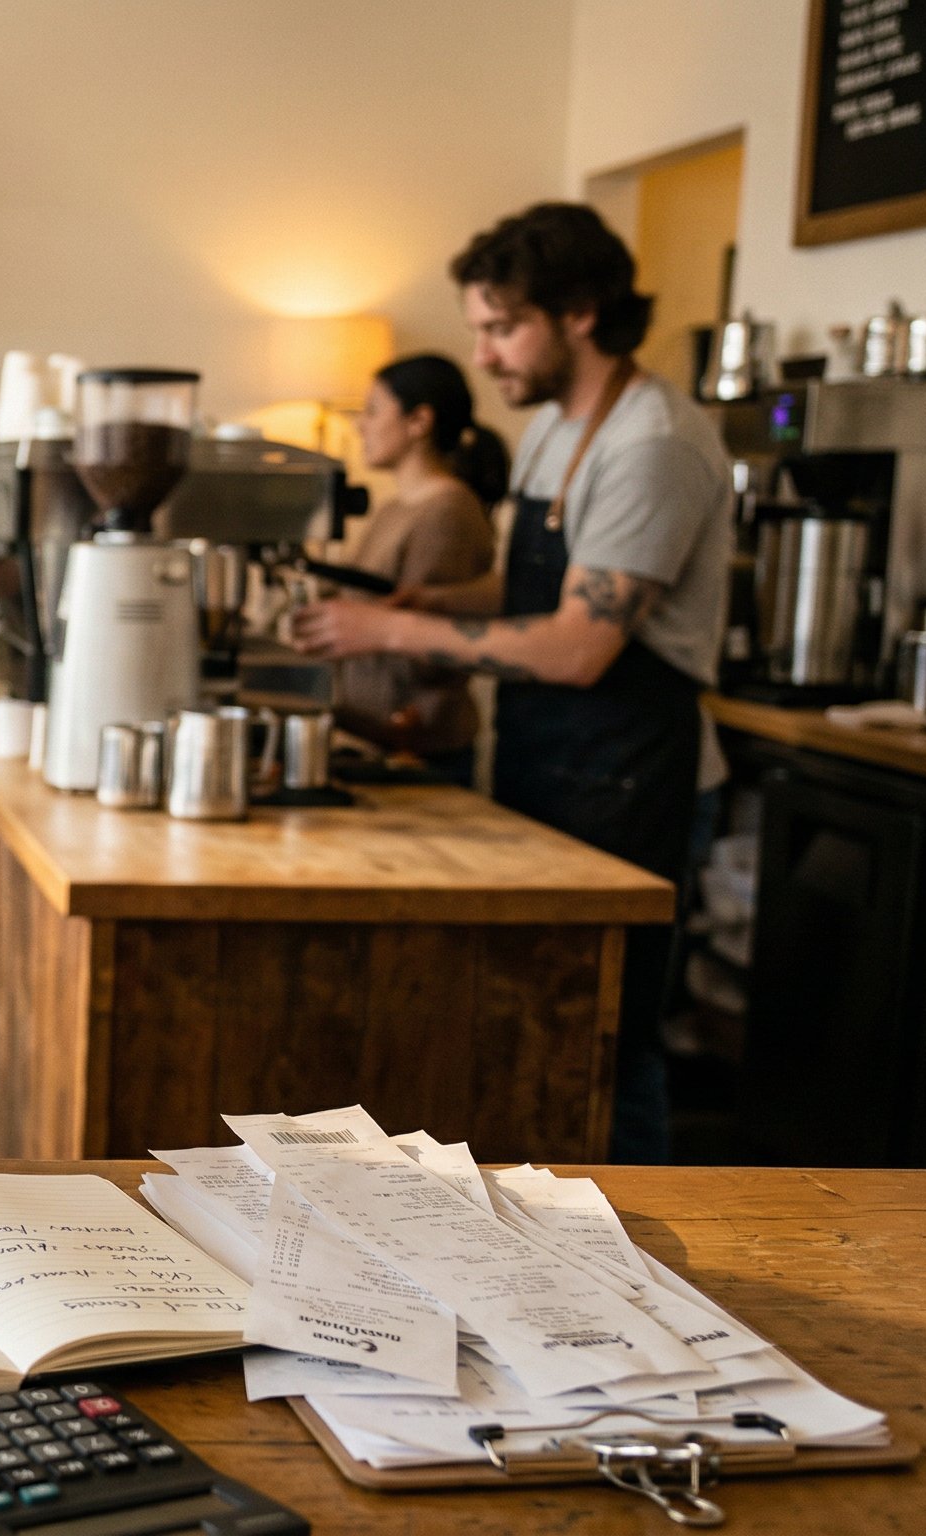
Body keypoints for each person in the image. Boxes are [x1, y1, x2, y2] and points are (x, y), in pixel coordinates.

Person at [293, 203, 732, 1163]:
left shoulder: (651, 444)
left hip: (633, 777)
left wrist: (399, 627)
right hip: (552, 758)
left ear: (579, 311)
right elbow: (536, 582)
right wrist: (438, 595)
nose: (483, 357)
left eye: (501, 327)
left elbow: (581, 643)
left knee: (615, 1043)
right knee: (545, 1031)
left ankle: (657, 1255)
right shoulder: (554, 427)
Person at [331, 353, 505, 784]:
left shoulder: (447, 511)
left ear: (419, 421)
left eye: (372, 411)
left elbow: (426, 654)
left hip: (415, 747)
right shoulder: (396, 508)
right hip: (372, 736)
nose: (360, 425)